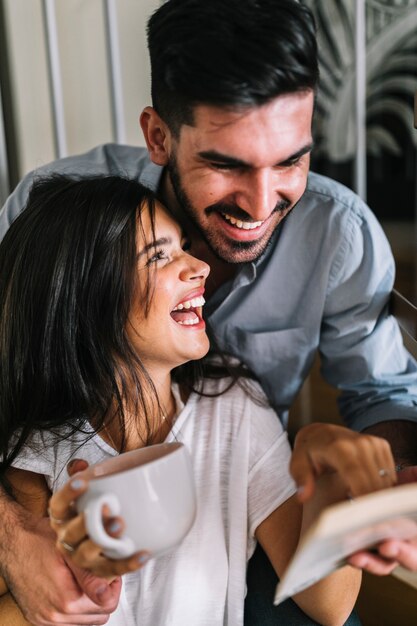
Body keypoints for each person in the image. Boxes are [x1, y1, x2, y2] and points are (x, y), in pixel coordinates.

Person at [0, 0, 417, 623]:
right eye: (226, 165)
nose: (262, 202)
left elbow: (383, 397)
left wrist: (362, 485)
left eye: (292, 160)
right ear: (159, 136)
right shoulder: (53, 214)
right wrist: (13, 536)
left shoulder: (339, 235)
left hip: (246, 512)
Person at [0, 173, 397, 626]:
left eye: (183, 246)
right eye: (159, 256)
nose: (200, 266)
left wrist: (332, 482)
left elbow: (329, 605)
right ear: (85, 299)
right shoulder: (38, 451)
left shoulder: (235, 407)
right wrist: (72, 579)